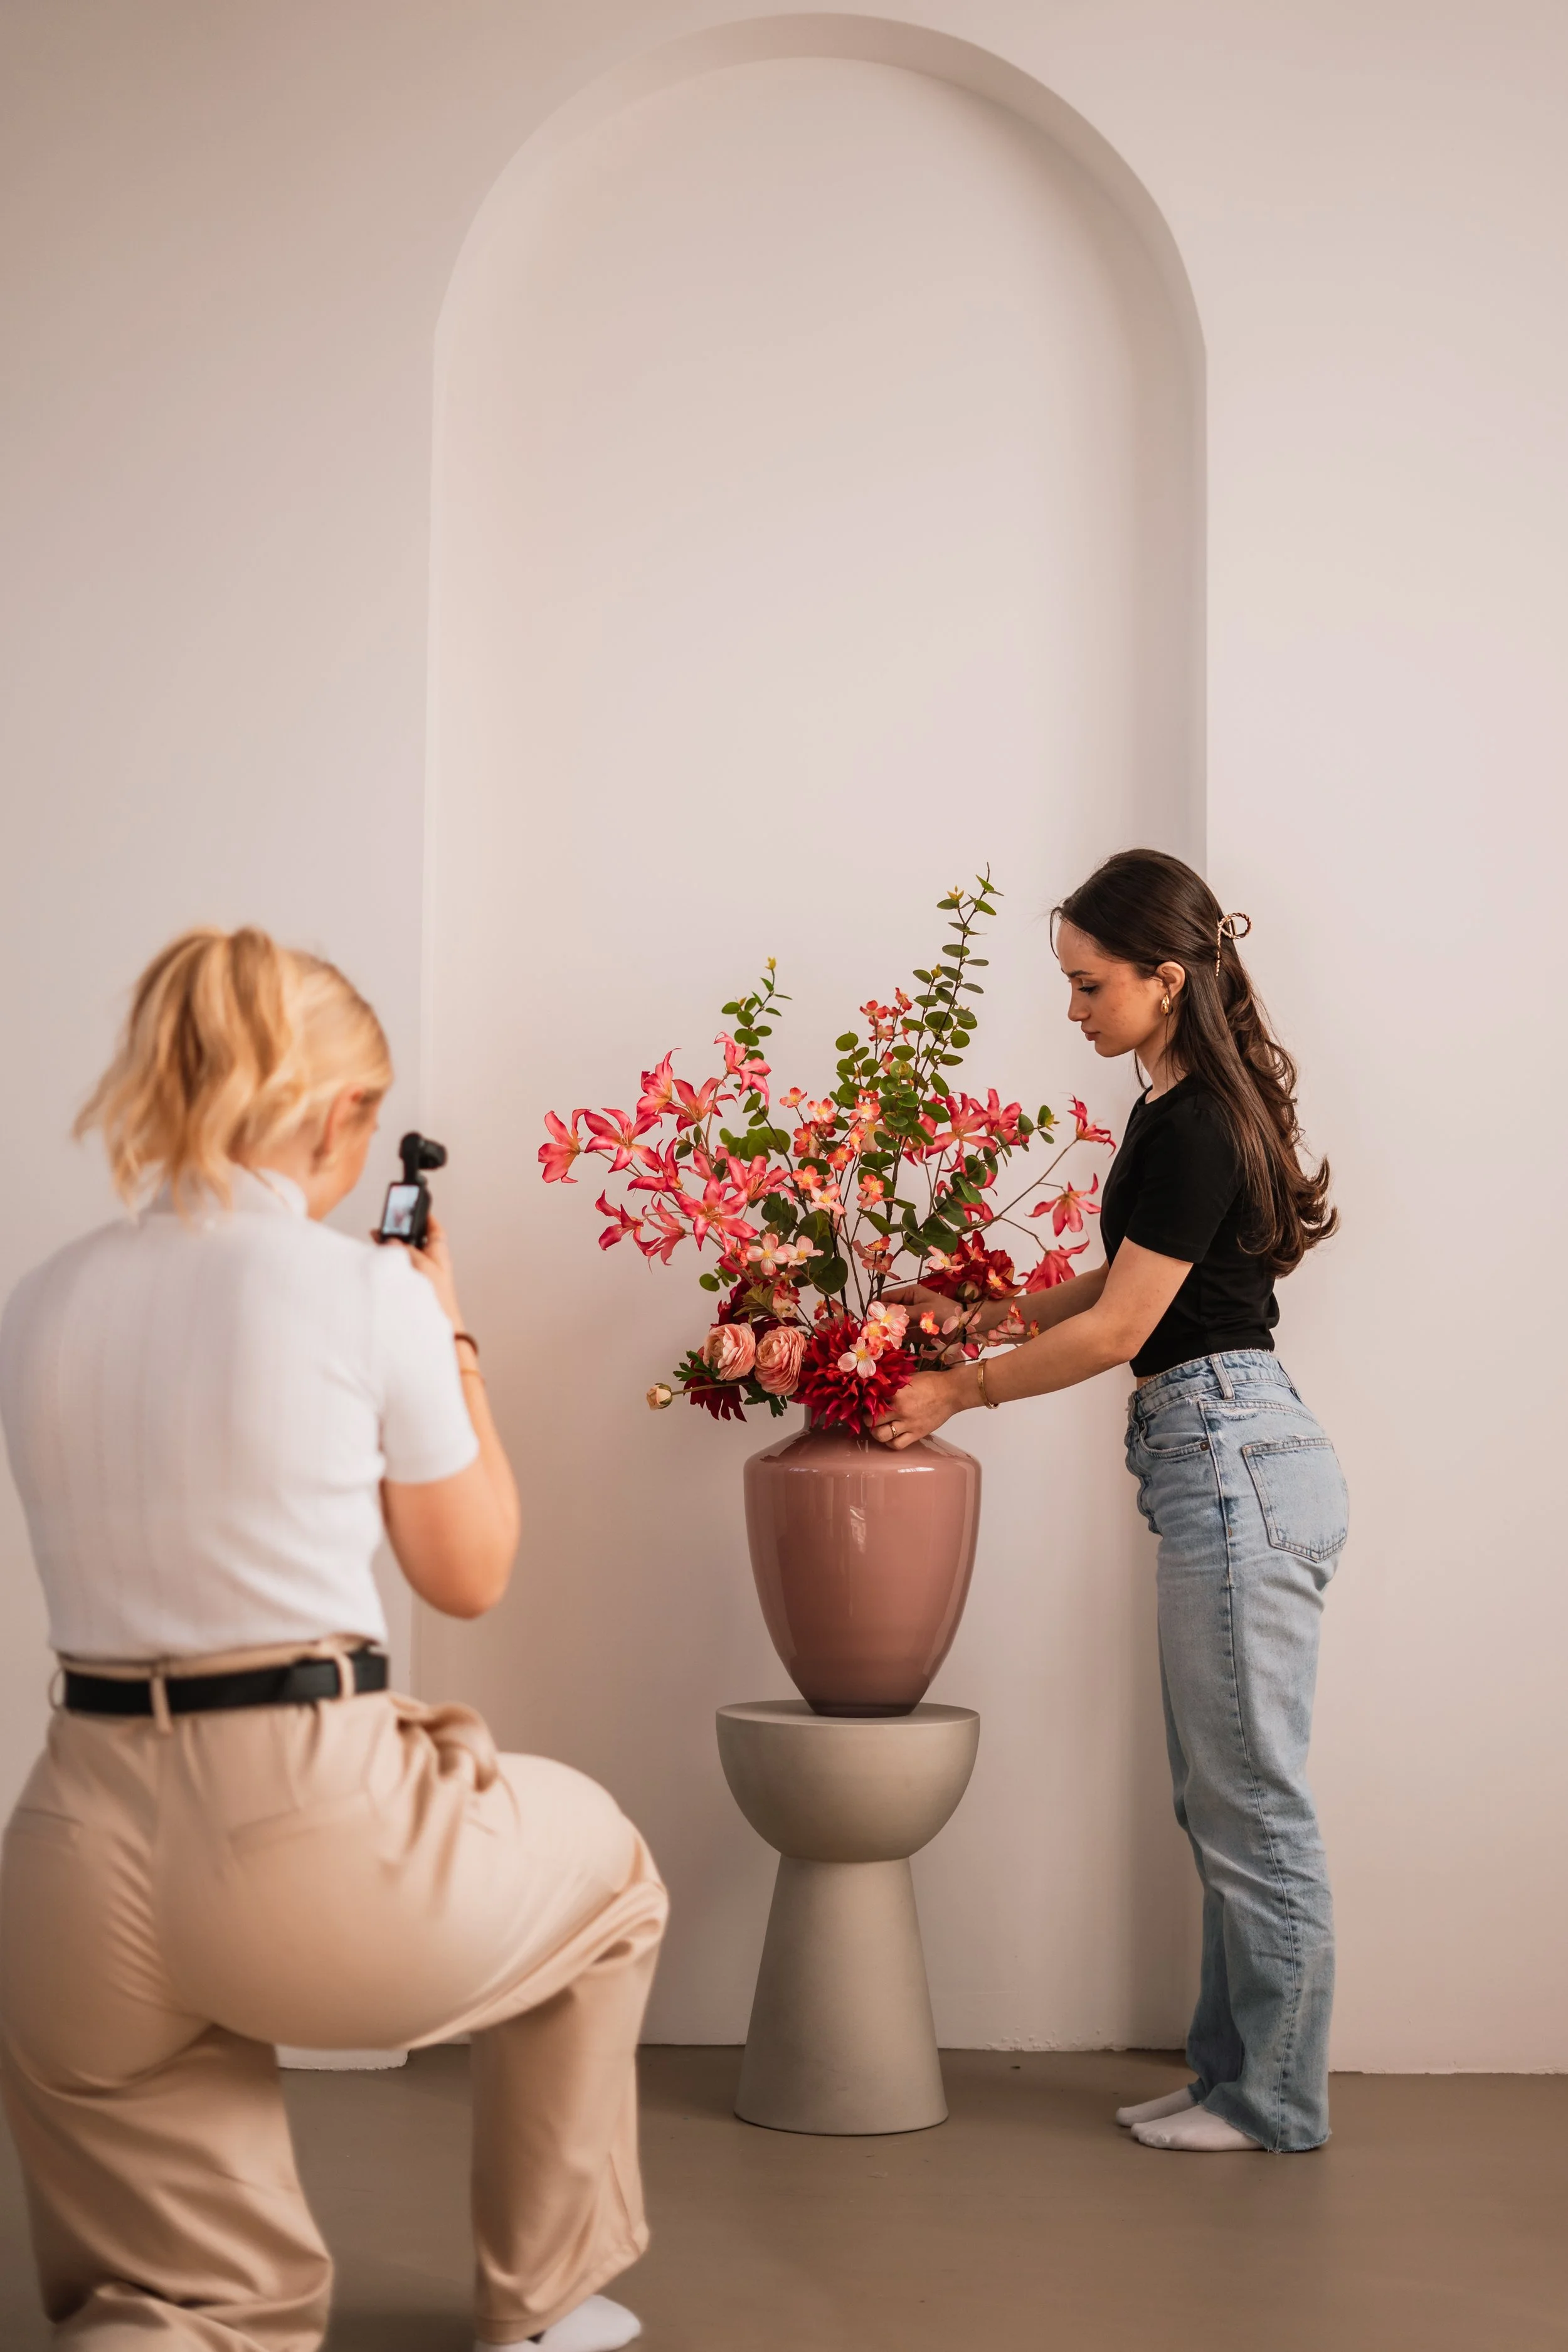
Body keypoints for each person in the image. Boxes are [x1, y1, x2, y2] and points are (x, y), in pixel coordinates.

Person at [0, 926, 664, 2351]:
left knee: (188, 2306)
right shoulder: (364, 1294)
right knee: (608, 1870)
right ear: (334, 1112)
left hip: (69, 1858)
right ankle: (540, 2306)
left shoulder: (40, 1300)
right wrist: (450, 1334)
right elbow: (467, 1570)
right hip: (313, 1845)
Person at [876, 849, 1346, 2156]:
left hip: (1232, 1459)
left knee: (1252, 1803)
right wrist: (994, 1311)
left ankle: (1272, 2102)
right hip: (1219, 1457)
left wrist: (958, 1390)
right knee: (1222, 1798)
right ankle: (1223, 2077)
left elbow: (1121, 1331)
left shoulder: (1195, 1122)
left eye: (1088, 987)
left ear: (1165, 977)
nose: (1072, 1010)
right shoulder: (1173, 1107)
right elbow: (1115, 1291)